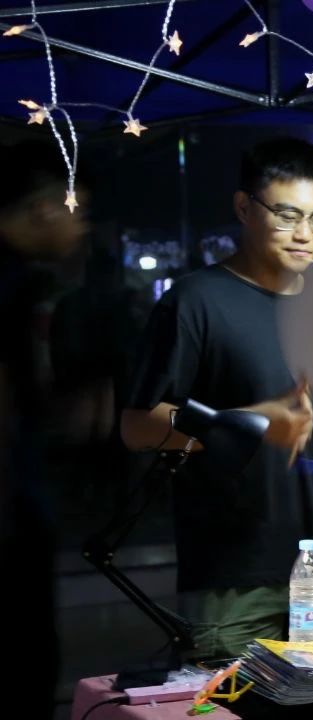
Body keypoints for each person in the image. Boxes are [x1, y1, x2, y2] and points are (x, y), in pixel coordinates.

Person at [121, 136, 313, 658]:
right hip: (234, 574)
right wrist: (249, 422)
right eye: (287, 215)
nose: (305, 235)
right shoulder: (195, 301)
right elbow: (138, 426)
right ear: (244, 208)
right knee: (232, 698)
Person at [0, 140, 90, 719]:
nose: (83, 225)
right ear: (42, 208)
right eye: (78, 209)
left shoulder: (26, 281)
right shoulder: (10, 285)